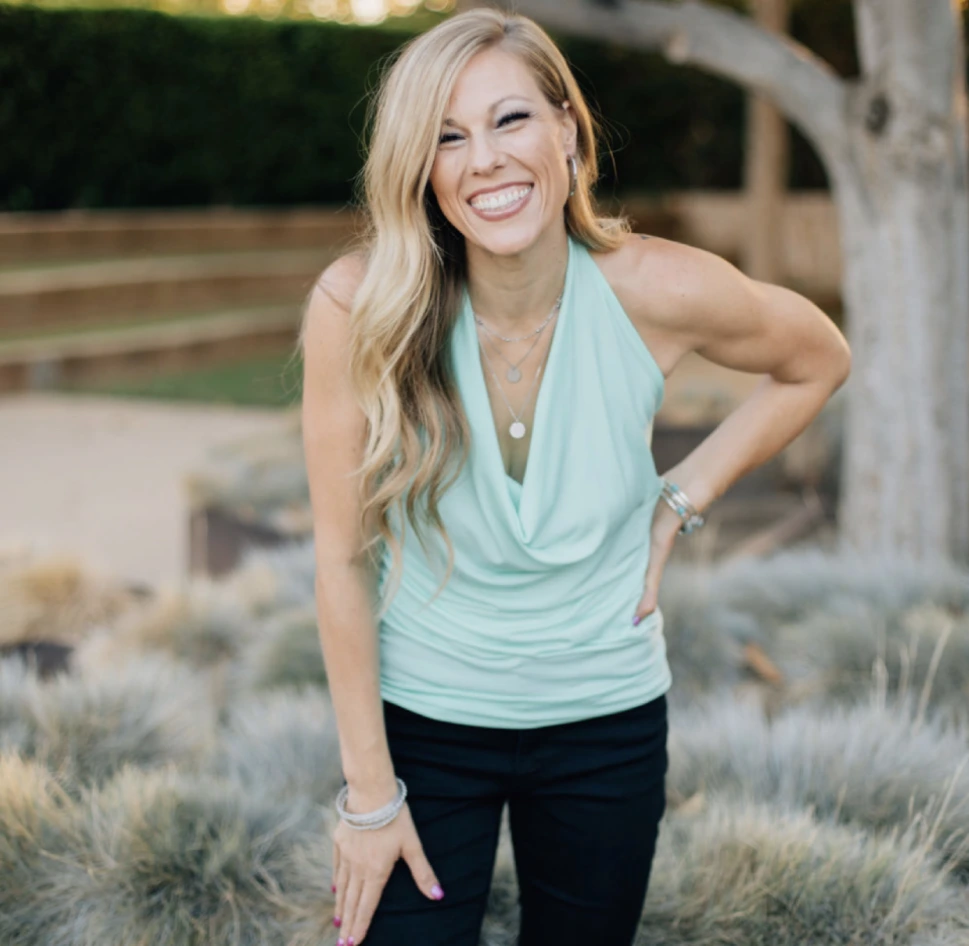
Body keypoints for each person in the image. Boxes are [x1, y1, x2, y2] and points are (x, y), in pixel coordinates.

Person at [299, 8, 851, 946]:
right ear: (421, 169)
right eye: (447, 135)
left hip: (605, 724)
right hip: (426, 727)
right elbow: (341, 560)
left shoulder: (657, 290)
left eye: (510, 120)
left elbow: (816, 359)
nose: (484, 160)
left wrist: (681, 497)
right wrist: (367, 797)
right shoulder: (360, 307)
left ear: (567, 128)